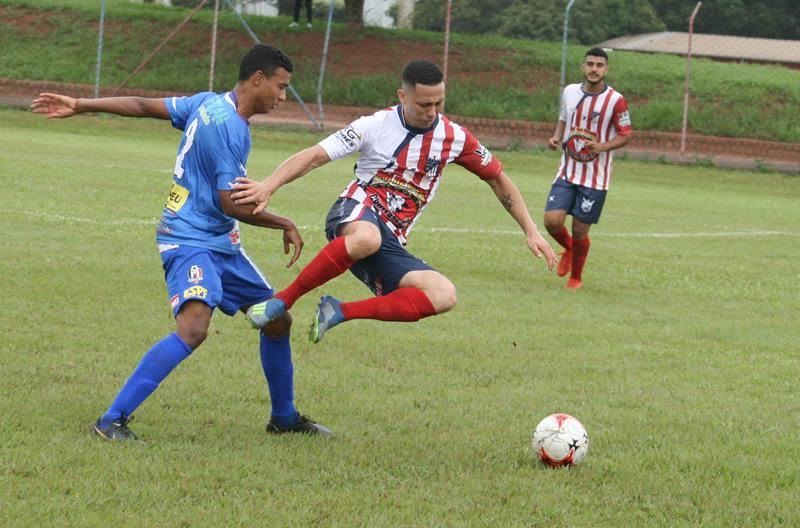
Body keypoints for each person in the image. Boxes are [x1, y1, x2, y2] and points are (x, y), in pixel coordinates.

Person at [31, 44, 332, 440]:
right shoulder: (226, 126)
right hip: (189, 239)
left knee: (276, 320)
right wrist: (283, 222)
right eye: (280, 87)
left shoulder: (207, 102)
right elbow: (232, 202)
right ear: (257, 78)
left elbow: (141, 105)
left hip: (220, 240)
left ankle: (285, 418)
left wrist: (81, 104)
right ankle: (111, 420)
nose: (282, 97)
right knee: (193, 328)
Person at [232, 59, 557, 343]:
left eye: (438, 104)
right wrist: (269, 185)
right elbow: (315, 155)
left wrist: (530, 230)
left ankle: (338, 311)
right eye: (424, 105)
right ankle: (281, 302)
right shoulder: (374, 126)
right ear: (403, 96)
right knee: (367, 237)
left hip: (388, 241)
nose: (432, 113)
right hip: (353, 214)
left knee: (443, 295)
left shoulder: (454, 138)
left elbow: (497, 177)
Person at [545, 47, 632, 290]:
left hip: (595, 178)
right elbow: (564, 117)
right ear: (583, 66)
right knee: (552, 220)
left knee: (580, 230)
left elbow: (626, 135)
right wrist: (556, 137)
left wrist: (602, 146)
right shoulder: (570, 92)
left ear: (606, 69)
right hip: (567, 170)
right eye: (590, 64)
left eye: (599, 65)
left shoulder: (616, 101)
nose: (594, 69)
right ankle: (570, 248)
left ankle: (576, 277)